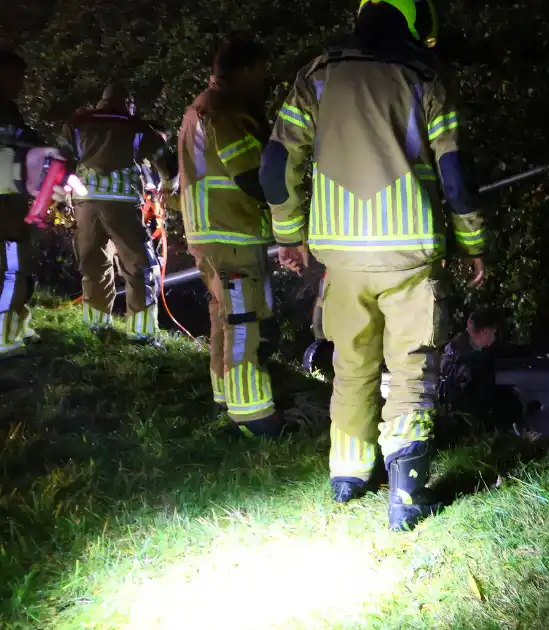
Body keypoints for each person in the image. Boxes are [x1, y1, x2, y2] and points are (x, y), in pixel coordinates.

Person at [261, 0, 487, 531]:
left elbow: (275, 167)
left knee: (352, 363)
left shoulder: (316, 77)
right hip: (408, 254)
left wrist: (288, 234)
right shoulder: (425, 78)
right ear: (412, 23)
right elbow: (455, 175)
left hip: (340, 255)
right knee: (411, 368)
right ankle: (406, 495)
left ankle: (348, 475)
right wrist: (473, 242)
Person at [178, 36, 284, 437]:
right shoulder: (224, 110)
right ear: (244, 71)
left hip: (211, 234)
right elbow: (249, 175)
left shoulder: (199, 108)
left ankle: (227, 396)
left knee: (225, 317)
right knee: (245, 321)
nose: (265, 81)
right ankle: (254, 417)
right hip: (232, 231)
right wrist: (287, 210)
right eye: (261, 73)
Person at [60, 84, 176, 342]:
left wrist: (62, 197)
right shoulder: (137, 127)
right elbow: (166, 163)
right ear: (128, 103)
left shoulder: (77, 124)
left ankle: (96, 327)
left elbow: (60, 162)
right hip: (122, 205)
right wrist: (169, 186)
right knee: (139, 266)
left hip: (85, 203)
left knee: (93, 266)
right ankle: (142, 333)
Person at [0, 49, 47, 360]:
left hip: (11, 205)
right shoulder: (4, 111)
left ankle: (17, 324)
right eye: (16, 77)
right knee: (11, 270)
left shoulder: (10, 110)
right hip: (6, 210)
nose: (20, 85)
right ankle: (6, 337)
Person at [438, 308, 500, 429]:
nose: (495, 338)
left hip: (452, 418)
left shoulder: (452, 348)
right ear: (485, 332)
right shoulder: (476, 362)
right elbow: (482, 401)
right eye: (494, 333)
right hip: (469, 423)